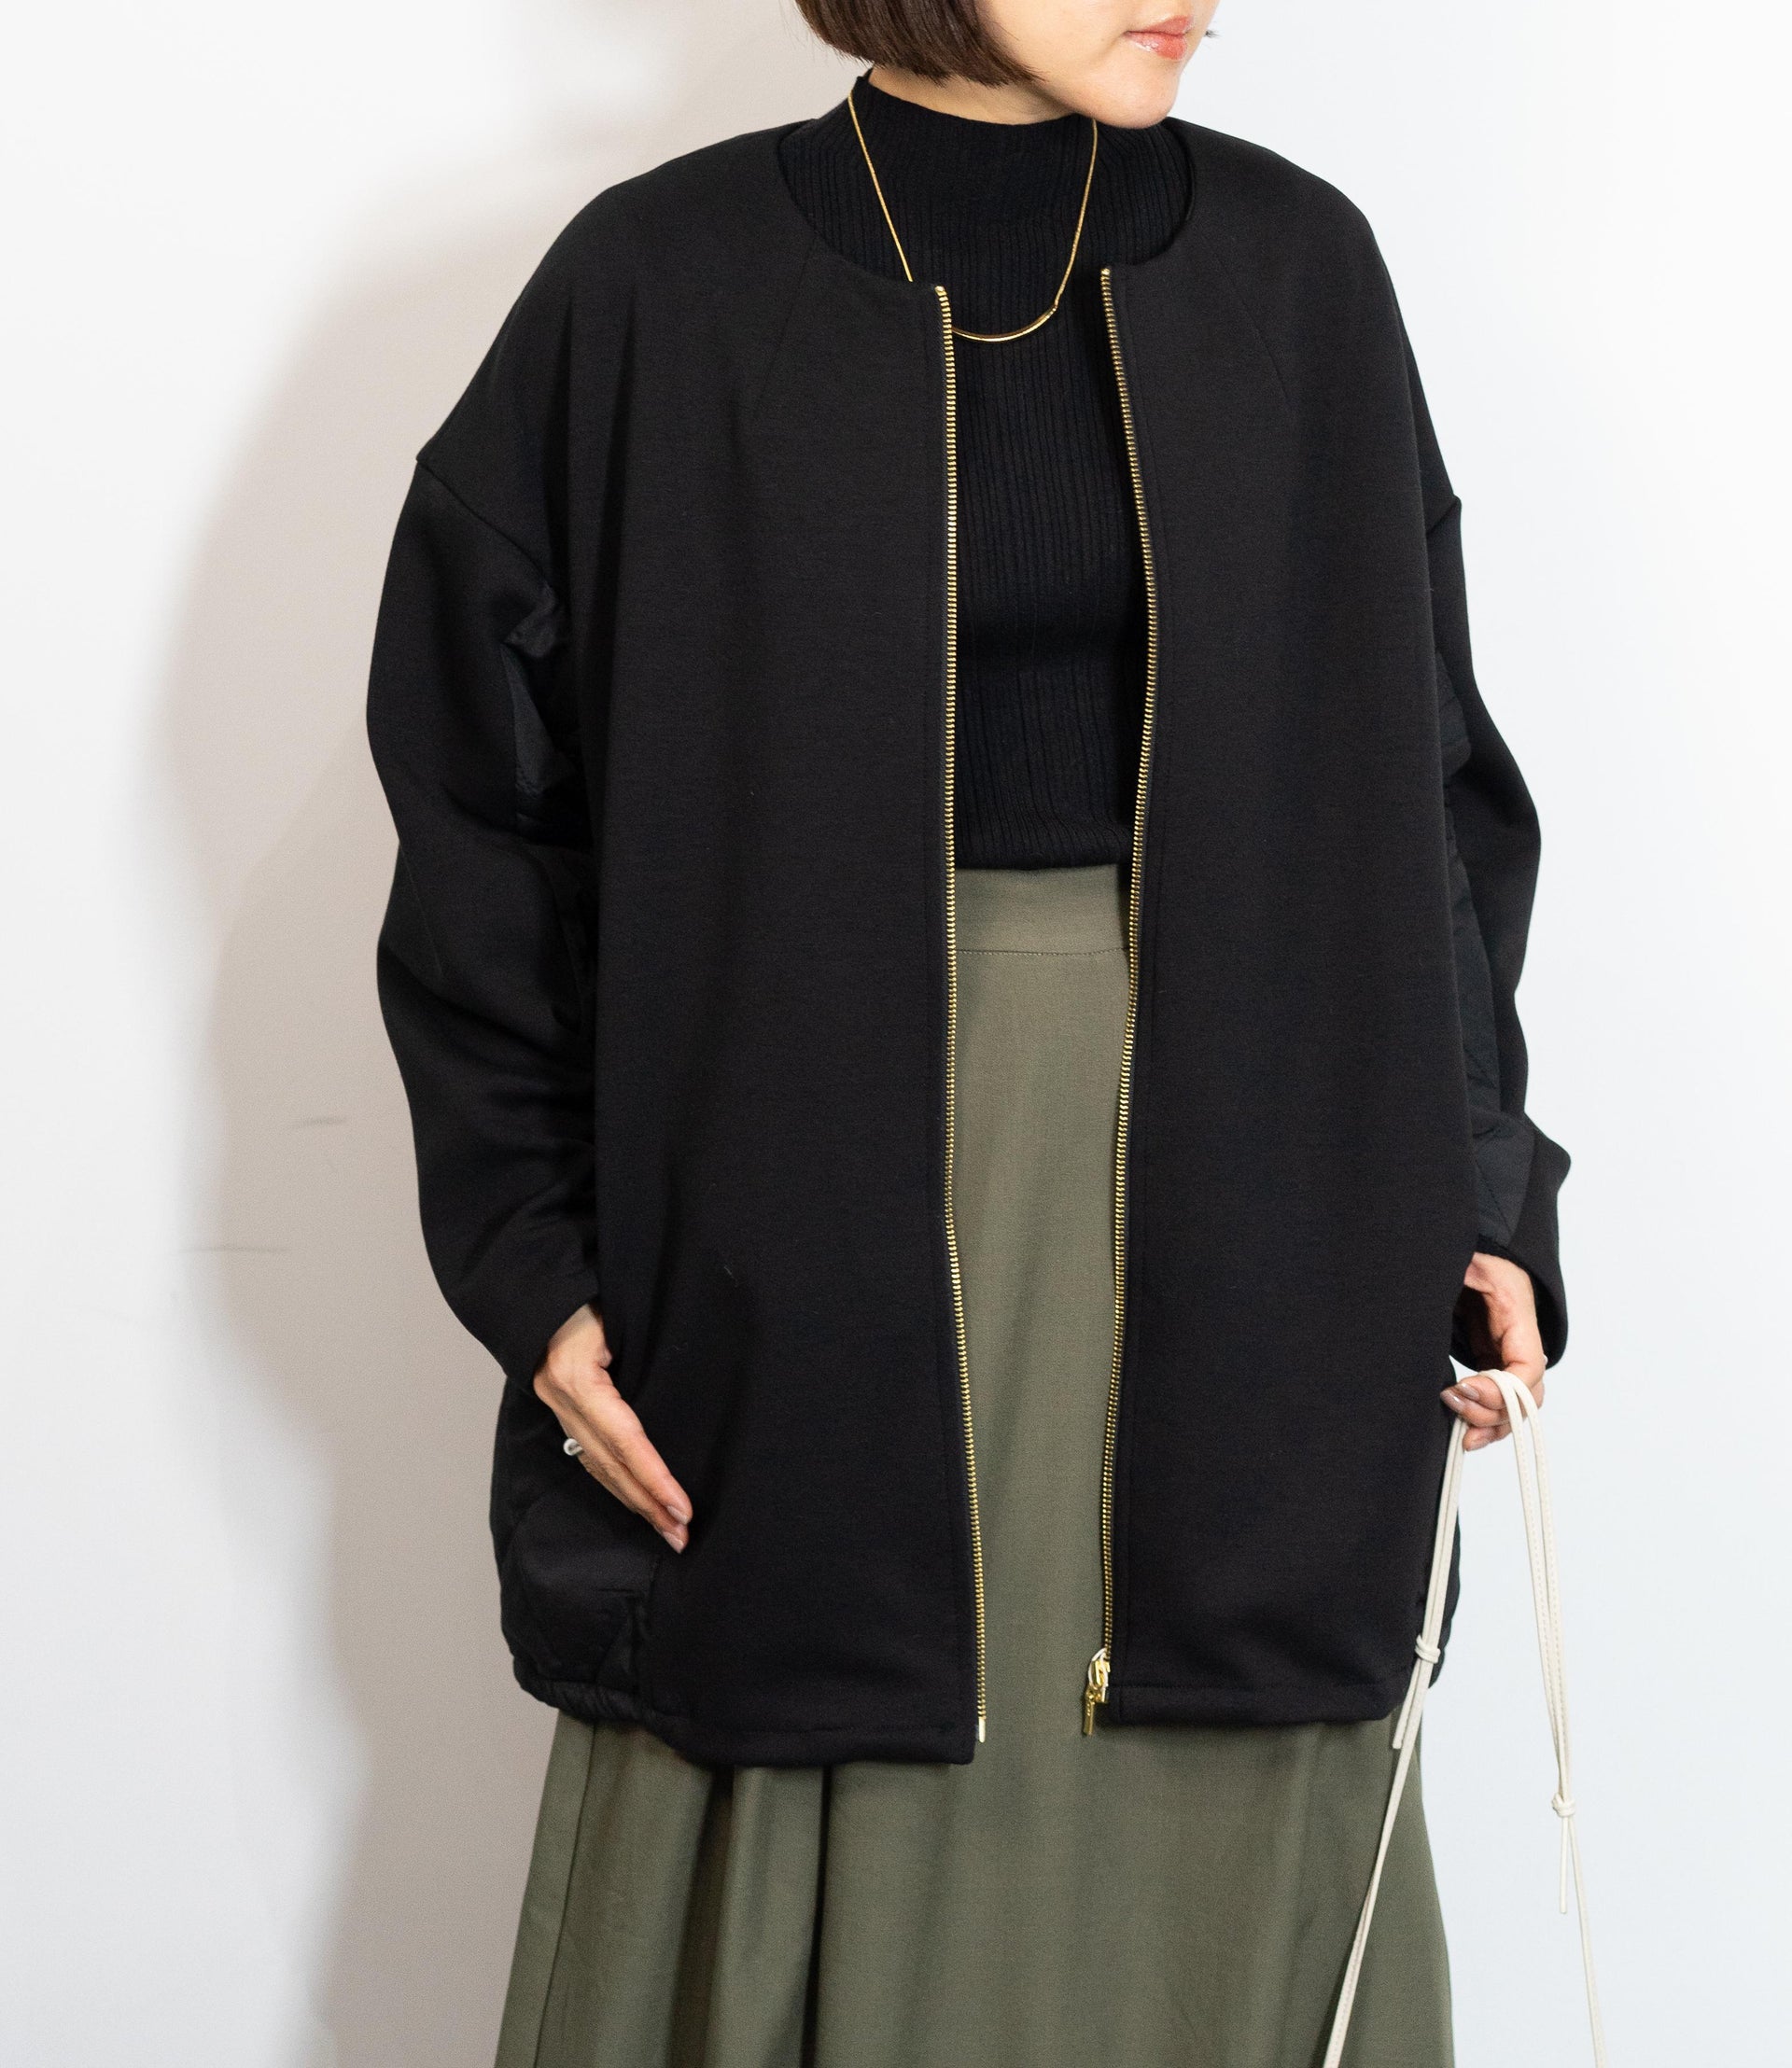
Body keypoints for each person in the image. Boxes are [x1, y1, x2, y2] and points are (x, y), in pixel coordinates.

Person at [366, 4, 1568, 2061]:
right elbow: (483, 812)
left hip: (1258, 1197)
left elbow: (1422, 782)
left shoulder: (1301, 272)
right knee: (804, 1692)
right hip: (790, 1206)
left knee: (1228, 1700)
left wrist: (1484, 1186)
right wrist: (533, 1261)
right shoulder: (655, 286)